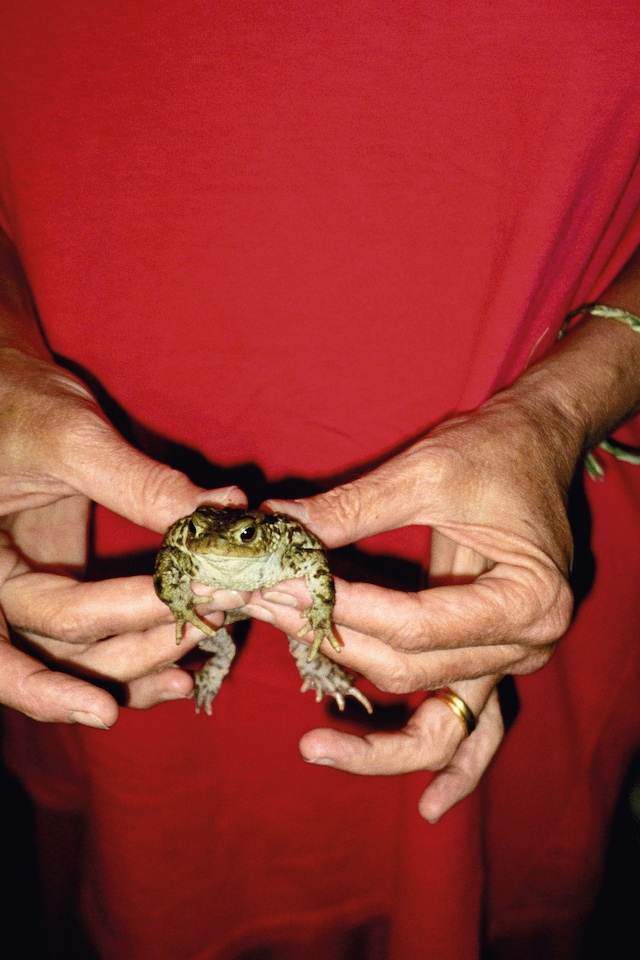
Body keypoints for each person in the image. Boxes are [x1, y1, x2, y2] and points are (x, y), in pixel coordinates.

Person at [0, 2, 639, 958]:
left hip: (508, 512)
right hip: (75, 502)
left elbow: (303, 554)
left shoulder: (288, 537)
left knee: (484, 859)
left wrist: (559, 406)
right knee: (157, 856)